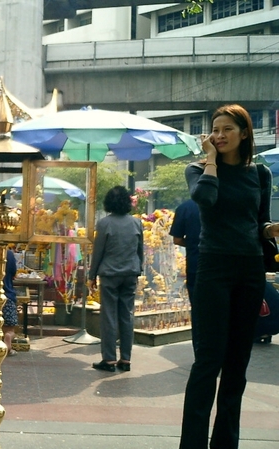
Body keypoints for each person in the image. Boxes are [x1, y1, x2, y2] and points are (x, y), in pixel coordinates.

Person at [179, 104, 279, 449]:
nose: (218, 136)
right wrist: (210, 160)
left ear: (245, 133)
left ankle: (226, 443)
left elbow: (260, 221)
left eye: (226, 130)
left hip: (250, 270)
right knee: (208, 360)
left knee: (238, 363)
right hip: (213, 268)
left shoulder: (261, 174)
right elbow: (205, 199)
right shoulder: (197, 169)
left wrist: (271, 229)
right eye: (214, 129)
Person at [88, 185, 144, 373]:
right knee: (126, 315)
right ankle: (126, 359)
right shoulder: (137, 223)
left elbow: (98, 252)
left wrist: (91, 275)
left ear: (109, 203)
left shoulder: (105, 224)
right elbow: (140, 250)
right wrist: (139, 269)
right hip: (130, 273)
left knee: (109, 316)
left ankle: (109, 359)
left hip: (110, 274)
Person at [169, 198, 201, 351]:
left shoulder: (186, 207)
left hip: (196, 266)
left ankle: (201, 354)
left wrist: (195, 243)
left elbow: (177, 239)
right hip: (222, 265)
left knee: (198, 312)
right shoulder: (226, 203)